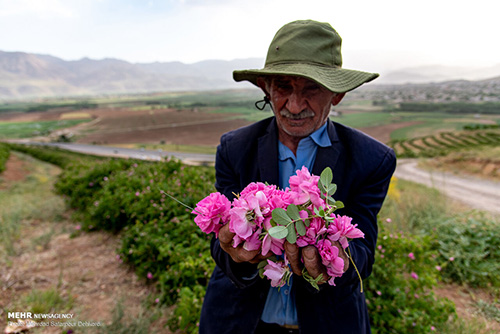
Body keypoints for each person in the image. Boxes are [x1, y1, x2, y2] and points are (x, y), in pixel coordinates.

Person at [199, 20, 396, 334]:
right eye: (283, 86)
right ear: (267, 88)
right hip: (240, 322)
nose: (293, 105)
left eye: (311, 88)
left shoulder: (371, 160)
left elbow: (363, 257)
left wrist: (334, 259)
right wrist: (235, 253)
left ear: (337, 94)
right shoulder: (235, 149)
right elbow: (219, 245)